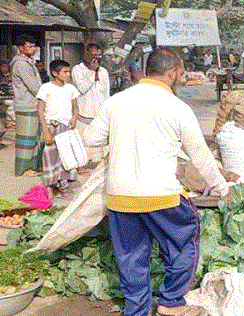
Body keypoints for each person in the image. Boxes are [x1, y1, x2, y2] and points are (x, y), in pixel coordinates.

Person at [83, 48, 231, 316]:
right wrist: (221, 187)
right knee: (183, 243)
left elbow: (90, 139)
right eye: (180, 73)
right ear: (172, 73)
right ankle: (171, 302)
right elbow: (201, 155)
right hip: (161, 197)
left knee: (131, 259)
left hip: (121, 196)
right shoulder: (177, 107)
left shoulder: (117, 101)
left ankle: (136, 311)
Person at [36, 59, 80, 197]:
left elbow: (75, 107)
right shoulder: (46, 88)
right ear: (55, 73)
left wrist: (74, 118)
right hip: (52, 126)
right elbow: (40, 110)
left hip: (66, 127)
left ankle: (63, 185)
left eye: (69, 71)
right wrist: (45, 131)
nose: (68, 74)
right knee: (51, 157)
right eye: (65, 71)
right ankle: (53, 186)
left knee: (65, 157)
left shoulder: (71, 88)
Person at [71, 43, 110, 170]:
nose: (96, 59)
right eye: (93, 56)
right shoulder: (78, 70)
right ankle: (80, 166)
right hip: (84, 115)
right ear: (86, 54)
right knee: (82, 143)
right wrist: (91, 72)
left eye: (99, 56)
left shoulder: (103, 72)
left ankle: (98, 166)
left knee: (99, 145)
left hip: (99, 115)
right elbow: (81, 88)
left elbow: (106, 93)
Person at [11, 33, 43, 176]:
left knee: (35, 138)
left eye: (34, 46)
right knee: (26, 139)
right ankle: (23, 169)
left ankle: (33, 167)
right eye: (29, 46)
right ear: (20, 48)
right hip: (26, 105)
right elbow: (34, 86)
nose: (32, 49)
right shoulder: (20, 64)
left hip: (33, 105)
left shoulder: (28, 62)